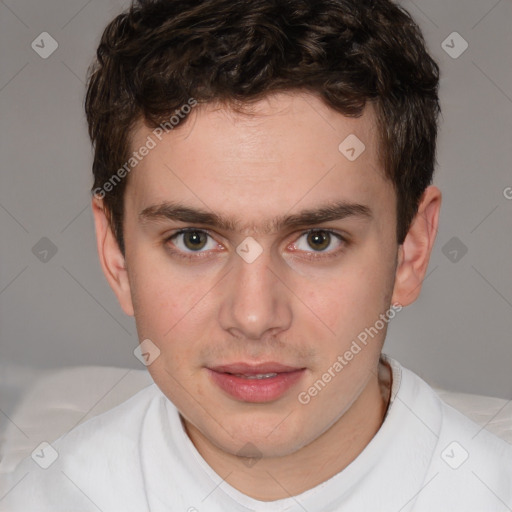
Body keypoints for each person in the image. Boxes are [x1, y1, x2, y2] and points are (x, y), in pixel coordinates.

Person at [1, 0, 511, 510]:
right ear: (116, 256)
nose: (253, 316)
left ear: (411, 251)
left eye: (317, 239)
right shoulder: (48, 497)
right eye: (193, 240)